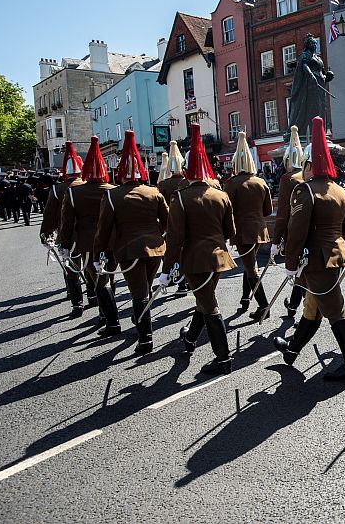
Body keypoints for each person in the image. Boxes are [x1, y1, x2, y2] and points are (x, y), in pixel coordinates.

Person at [278, 116, 345, 381]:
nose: (302, 170)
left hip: (315, 260)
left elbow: (297, 231)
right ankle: (292, 349)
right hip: (335, 255)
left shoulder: (305, 190)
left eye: (305, 164)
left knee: (336, 313)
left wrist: (290, 263)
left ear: (310, 165)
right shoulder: (339, 190)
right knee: (313, 308)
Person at [161, 124, 237, 375]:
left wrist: (167, 268)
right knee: (203, 300)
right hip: (219, 257)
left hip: (195, 259)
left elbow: (175, 238)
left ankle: (223, 358)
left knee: (209, 304)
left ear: (187, 171)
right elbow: (230, 232)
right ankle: (191, 337)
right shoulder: (221, 195)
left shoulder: (181, 198)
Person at [93, 130, 169, 354]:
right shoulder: (154, 192)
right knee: (144, 288)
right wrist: (157, 236)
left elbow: (103, 230)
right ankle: (140, 319)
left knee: (139, 293)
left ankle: (146, 338)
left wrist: (99, 254)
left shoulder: (112, 196)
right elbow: (166, 222)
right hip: (155, 248)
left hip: (129, 249)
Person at [59, 136, 118, 333]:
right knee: (108, 276)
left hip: (87, 243)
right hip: (112, 241)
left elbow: (66, 222)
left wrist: (65, 244)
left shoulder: (74, 193)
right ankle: (105, 312)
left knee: (99, 281)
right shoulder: (113, 190)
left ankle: (110, 319)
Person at [223, 132, 273, 320]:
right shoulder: (261, 182)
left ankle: (263, 306)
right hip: (259, 230)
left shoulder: (232, 184)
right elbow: (267, 210)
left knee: (251, 268)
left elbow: (226, 210)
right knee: (248, 264)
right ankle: (245, 298)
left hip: (242, 231)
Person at [40, 142, 85, 317]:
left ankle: (77, 303)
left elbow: (49, 215)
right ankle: (94, 295)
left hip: (66, 233)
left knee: (71, 268)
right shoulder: (87, 184)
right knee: (91, 266)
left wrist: (45, 232)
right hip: (89, 233)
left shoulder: (58, 189)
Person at [270, 125, 308, 319]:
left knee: (300, 270)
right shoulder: (308, 176)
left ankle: (301, 309)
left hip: (295, 230)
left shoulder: (288, 179)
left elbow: (282, 213)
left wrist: (276, 241)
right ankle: (293, 305)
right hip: (310, 230)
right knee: (303, 271)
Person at [157, 141, 191, 293]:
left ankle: (179, 281)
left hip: (171, 222)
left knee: (174, 252)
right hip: (188, 221)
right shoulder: (187, 182)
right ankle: (187, 281)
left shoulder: (163, 184)